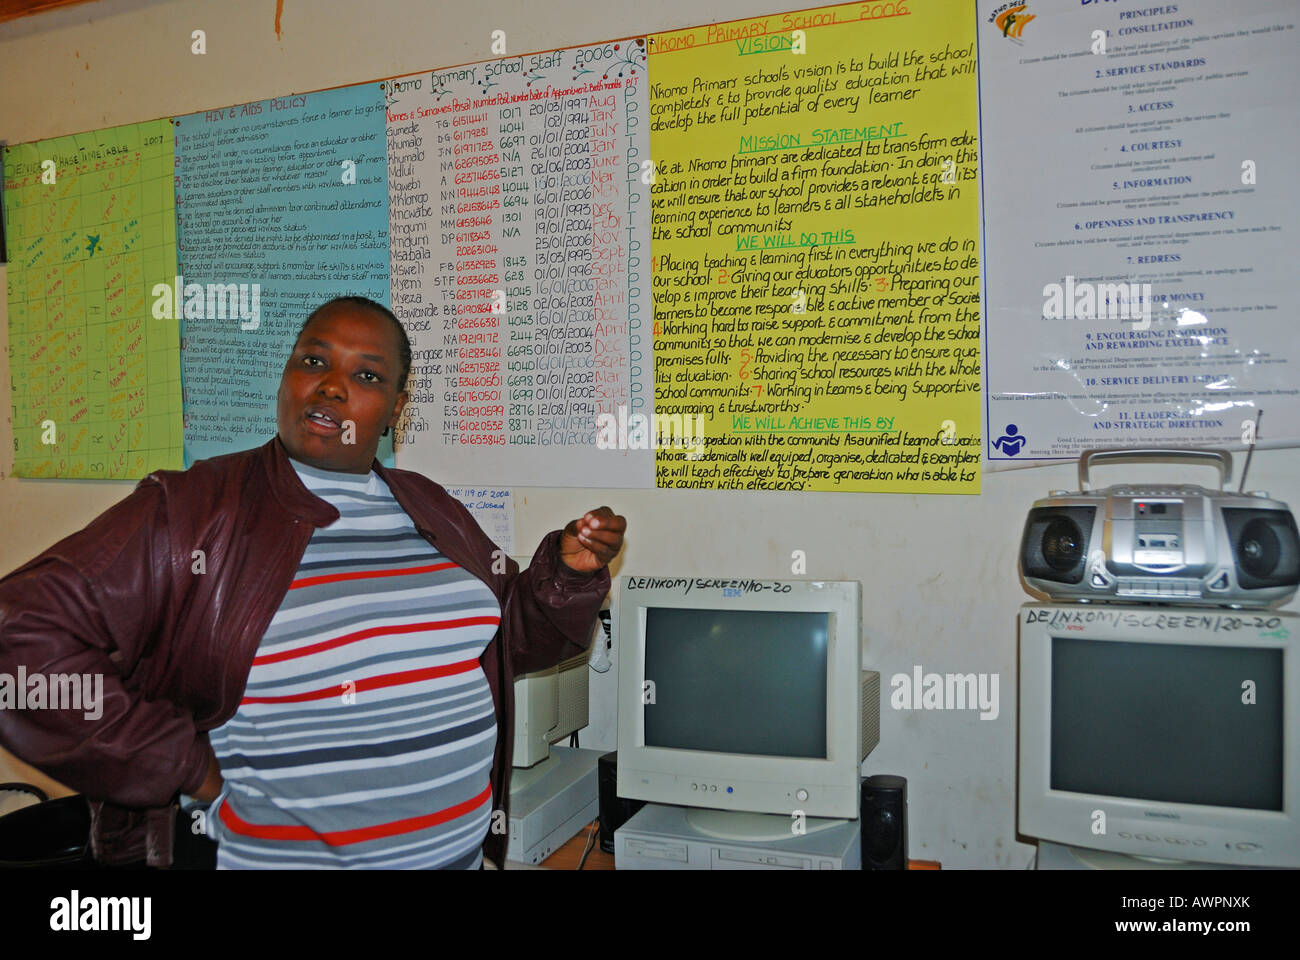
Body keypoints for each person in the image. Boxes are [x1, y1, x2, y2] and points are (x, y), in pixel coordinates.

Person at [0, 296, 626, 869]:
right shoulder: (194, 509)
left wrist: (564, 578)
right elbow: (18, 640)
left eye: (367, 376)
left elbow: (508, 640)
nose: (330, 385)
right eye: (313, 360)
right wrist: (180, 764)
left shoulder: (427, 507)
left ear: (395, 411)